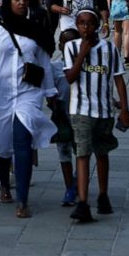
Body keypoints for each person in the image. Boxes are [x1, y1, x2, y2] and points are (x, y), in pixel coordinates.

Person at [0, 0, 58, 218]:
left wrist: (50, 93)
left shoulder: (35, 30)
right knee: (2, 144)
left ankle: (23, 199)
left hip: (27, 93)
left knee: (22, 140)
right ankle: (4, 182)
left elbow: (43, 62)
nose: (21, 3)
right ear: (7, 2)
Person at [64, 10, 129, 223]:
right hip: (80, 110)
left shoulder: (109, 48)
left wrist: (124, 109)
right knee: (82, 154)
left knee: (102, 153)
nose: (86, 28)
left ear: (97, 26)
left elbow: (119, 79)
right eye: (82, 23)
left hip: (103, 111)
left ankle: (103, 195)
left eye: (90, 24)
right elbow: (70, 78)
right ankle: (83, 202)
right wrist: (82, 55)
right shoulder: (71, 47)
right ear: (77, 25)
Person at [50, 29, 80, 207]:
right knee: (64, 151)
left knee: (82, 150)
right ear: (59, 46)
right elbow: (49, 90)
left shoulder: (86, 64)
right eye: (65, 43)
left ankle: (78, 178)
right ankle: (69, 187)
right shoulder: (54, 67)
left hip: (81, 112)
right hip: (62, 114)